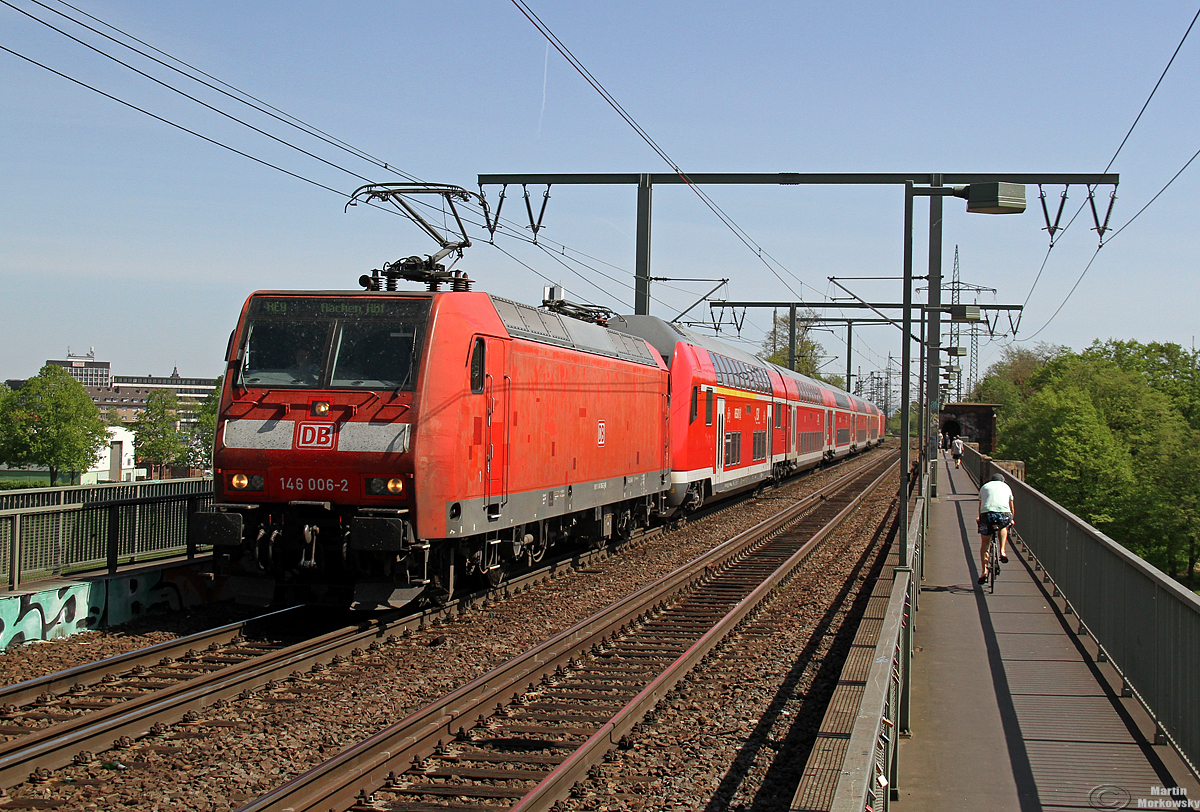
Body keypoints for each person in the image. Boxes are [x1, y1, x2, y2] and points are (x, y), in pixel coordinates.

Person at [977, 472, 1014, 585]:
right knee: (1003, 526)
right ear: (1002, 481)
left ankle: (984, 571)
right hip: (1003, 514)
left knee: (985, 544)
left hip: (986, 515)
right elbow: (1011, 506)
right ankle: (1002, 551)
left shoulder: (985, 487)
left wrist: (980, 518)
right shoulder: (1006, 487)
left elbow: (981, 505)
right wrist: (1011, 519)